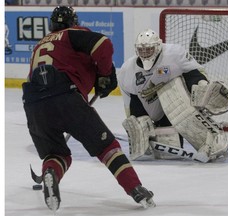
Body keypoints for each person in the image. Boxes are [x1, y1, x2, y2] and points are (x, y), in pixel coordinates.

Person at [22, 6, 155, 211]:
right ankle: (136, 188)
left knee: (57, 154)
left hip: (33, 104)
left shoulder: (40, 44)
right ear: (73, 22)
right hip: (65, 96)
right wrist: (105, 74)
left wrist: (97, 78)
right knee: (107, 149)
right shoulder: (72, 34)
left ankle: (51, 172)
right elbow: (103, 44)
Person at [117, 28, 228, 162]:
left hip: (173, 100)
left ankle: (211, 136)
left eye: (149, 49)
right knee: (155, 150)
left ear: (158, 46)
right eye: (141, 50)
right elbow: (130, 102)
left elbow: (195, 71)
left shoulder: (174, 54)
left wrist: (202, 87)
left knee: (171, 150)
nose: (145, 53)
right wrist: (135, 126)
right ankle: (149, 135)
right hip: (150, 107)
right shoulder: (127, 70)